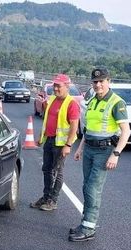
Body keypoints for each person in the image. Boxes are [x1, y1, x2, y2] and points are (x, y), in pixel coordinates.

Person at [70, 67, 130, 242]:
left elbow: (126, 131)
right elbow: (88, 129)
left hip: (104, 151)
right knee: (86, 186)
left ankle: (89, 227)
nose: (98, 85)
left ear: (108, 82)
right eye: (95, 82)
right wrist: (80, 148)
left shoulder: (117, 103)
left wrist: (116, 154)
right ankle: (85, 222)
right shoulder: (92, 101)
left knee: (92, 188)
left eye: (101, 81)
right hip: (88, 148)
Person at [30, 74, 80, 211]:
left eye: (59, 86)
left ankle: (53, 200)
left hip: (61, 144)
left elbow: (74, 126)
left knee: (57, 171)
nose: (56, 88)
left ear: (67, 87)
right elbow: (46, 120)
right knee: (46, 169)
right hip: (49, 140)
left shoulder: (71, 103)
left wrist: (68, 145)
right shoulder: (52, 99)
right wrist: (41, 136)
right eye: (55, 86)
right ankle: (46, 197)